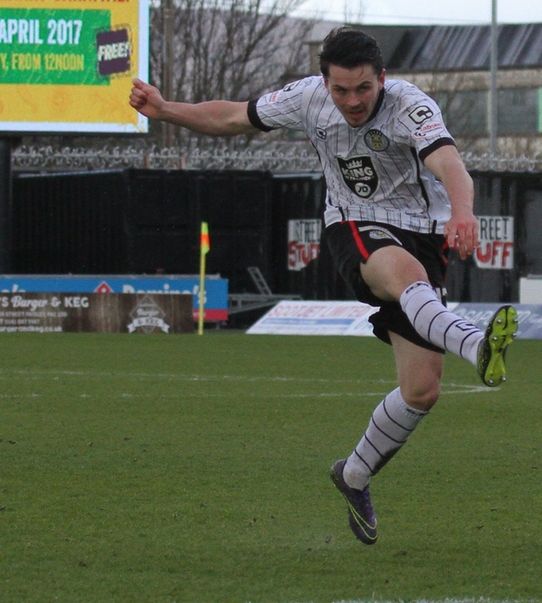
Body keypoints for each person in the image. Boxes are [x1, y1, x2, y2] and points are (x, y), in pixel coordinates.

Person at [130, 27, 519, 545]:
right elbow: (231, 116)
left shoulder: (409, 105)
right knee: (405, 274)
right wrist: (165, 109)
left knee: (422, 390)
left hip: (423, 234)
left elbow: (450, 163)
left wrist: (465, 213)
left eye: (363, 89)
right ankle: (477, 342)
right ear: (324, 82)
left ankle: (353, 475)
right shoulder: (306, 99)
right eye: (341, 90)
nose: (352, 101)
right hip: (353, 224)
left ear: (382, 79)